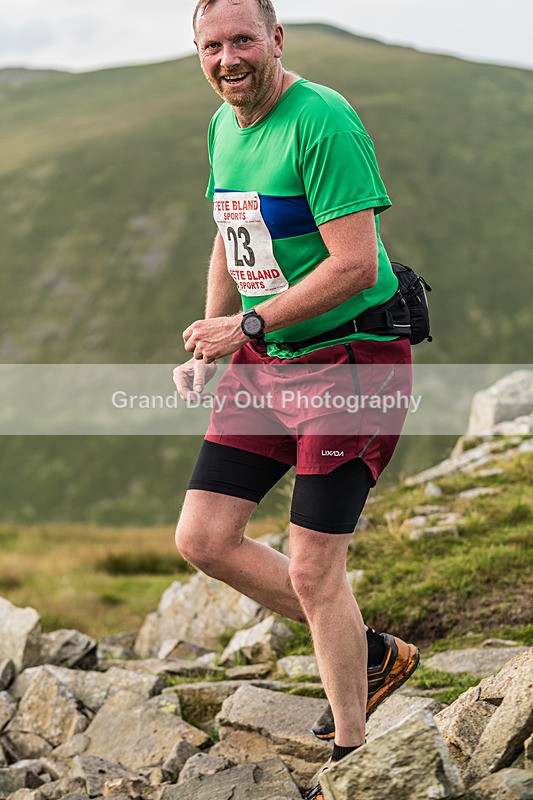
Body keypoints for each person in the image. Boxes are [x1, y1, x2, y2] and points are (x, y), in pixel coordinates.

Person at [173, 1, 420, 796]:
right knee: (205, 539)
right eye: (212, 45)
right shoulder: (224, 125)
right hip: (266, 361)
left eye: (243, 39)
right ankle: (369, 651)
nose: (227, 58)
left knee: (316, 571)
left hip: (351, 365)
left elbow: (353, 263)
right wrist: (222, 333)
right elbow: (230, 228)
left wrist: (243, 322)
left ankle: (353, 757)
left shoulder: (324, 121)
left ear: (277, 40)